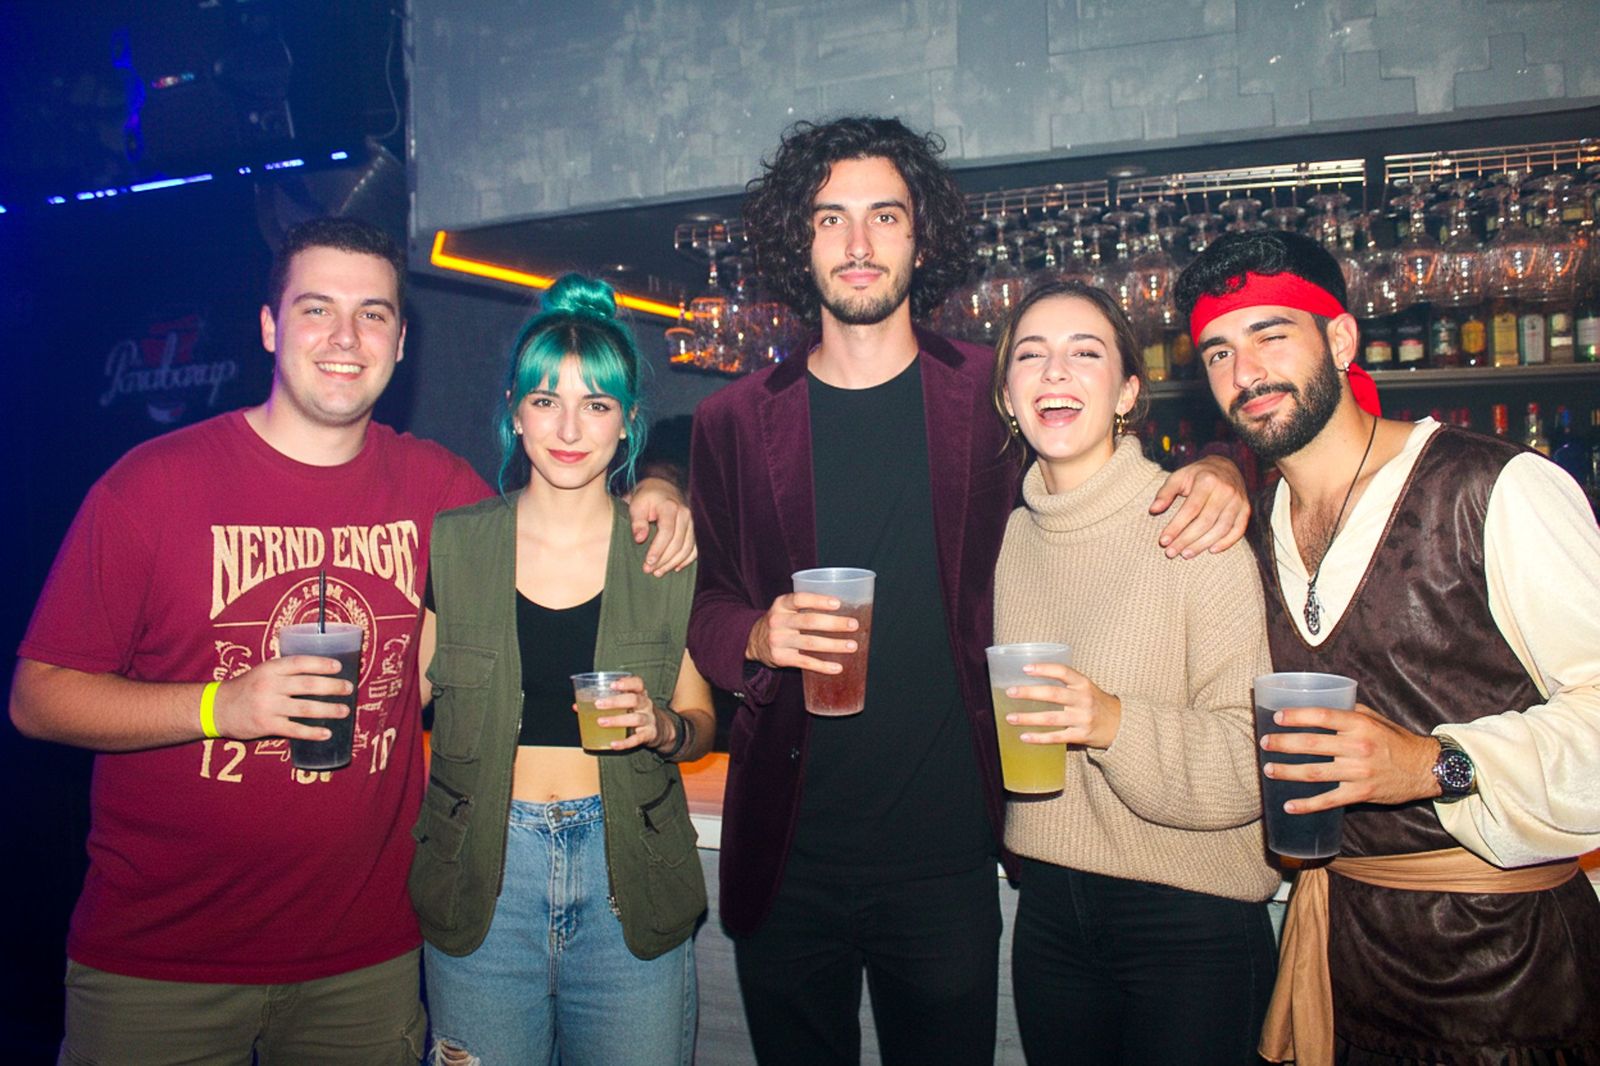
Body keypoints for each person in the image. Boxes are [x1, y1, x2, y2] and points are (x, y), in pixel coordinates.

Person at [9, 217, 694, 1064]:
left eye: (372, 313)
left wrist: (657, 484)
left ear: (401, 341)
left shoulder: (440, 493)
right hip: (165, 958)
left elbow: (563, 495)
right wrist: (228, 704)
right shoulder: (150, 485)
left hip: (365, 960)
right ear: (268, 326)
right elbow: (38, 696)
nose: (344, 338)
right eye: (315, 309)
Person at [686, 115, 1251, 1066]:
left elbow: (1099, 456)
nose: (859, 245)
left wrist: (1228, 463)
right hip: (789, 857)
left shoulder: (989, 398)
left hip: (946, 858)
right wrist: (756, 633)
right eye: (831, 220)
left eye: (885, 216)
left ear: (921, 236)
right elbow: (706, 610)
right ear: (800, 240)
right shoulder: (733, 421)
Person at [1174, 228, 1600, 1066]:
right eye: (1218, 352)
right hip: (1341, 962)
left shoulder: (1494, 489)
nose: (1245, 373)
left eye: (1271, 335)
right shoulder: (1250, 534)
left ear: (1339, 338)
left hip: (1509, 973)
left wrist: (1433, 765)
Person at [410, 274, 714, 1065]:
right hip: (484, 869)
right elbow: (402, 698)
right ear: (515, 410)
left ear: (628, 424)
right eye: (546, 400)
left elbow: (700, 720)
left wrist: (665, 727)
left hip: (629, 869)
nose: (570, 427)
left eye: (597, 405)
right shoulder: (456, 543)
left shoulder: (662, 551)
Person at [990, 281, 1279, 1065]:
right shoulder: (1015, 537)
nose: (1055, 373)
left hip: (1190, 920)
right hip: (1049, 904)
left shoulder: (1194, 520)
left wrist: (1109, 719)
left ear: (1126, 393)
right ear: (1007, 398)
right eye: (1031, 356)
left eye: (1085, 354)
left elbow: (1252, 764)